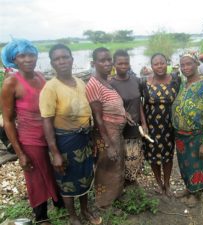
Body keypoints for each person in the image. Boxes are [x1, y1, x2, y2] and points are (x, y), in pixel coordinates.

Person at [0, 39, 62, 224]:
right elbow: (9, 121)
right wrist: (20, 153)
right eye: (22, 55)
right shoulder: (11, 83)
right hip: (30, 139)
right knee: (35, 177)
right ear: (14, 59)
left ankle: (58, 202)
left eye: (31, 54)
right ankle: (41, 216)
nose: (28, 59)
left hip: (49, 135)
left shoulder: (41, 76)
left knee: (53, 171)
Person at [39, 44, 100, 225]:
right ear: (52, 63)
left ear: (72, 60)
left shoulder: (80, 82)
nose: (62, 61)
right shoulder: (51, 88)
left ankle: (85, 209)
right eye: (57, 59)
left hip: (83, 138)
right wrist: (55, 153)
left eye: (65, 57)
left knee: (85, 176)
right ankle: (73, 216)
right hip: (64, 141)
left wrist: (93, 138)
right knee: (67, 180)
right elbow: (47, 122)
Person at [171, 51, 203, 207]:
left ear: (197, 64)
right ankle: (188, 187)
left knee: (197, 165)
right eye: (182, 65)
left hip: (196, 135)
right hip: (181, 135)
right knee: (185, 164)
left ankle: (196, 193)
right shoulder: (184, 83)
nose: (185, 67)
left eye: (188, 64)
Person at [85, 47, 126, 208]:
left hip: (116, 131)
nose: (108, 63)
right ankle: (103, 203)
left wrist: (124, 114)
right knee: (106, 167)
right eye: (102, 60)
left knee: (116, 164)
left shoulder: (106, 81)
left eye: (109, 59)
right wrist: (107, 144)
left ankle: (115, 196)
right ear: (94, 63)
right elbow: (98, 118)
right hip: (106, 134)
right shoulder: (93, 84)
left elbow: (110, 105)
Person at [141, 53, 180, 197]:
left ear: (167, 63)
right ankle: (158, 183)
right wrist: (143, 123)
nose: (159, 66)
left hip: (169, 125)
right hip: (151, 125)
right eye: (156, 64)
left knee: (168, 155)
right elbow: (140, 103)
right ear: (151, 66)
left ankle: (167, 184)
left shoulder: (176, 80)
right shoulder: (144, 82)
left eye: (162, 63)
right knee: (153, 156)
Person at [110, 49, 146, 184]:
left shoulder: (136, 80)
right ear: (114, 64)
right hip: (120, 130)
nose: (123, 66)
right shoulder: (111, 84)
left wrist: (144, 123)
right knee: (122, 158)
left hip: (135, 127)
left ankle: (132, 182)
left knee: (135, 157)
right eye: (120, 63)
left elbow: (139, 103)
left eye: (126, 63)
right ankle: (122, 185)